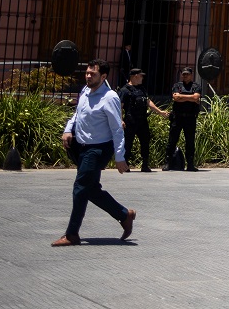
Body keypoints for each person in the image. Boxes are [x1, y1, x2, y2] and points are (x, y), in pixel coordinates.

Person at [52, 59, 135, 246]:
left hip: (98, 149)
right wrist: (68, 130)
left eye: (93, 74)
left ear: (103, 76)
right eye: (87, 72)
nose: (88, 76)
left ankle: (72, 234)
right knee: (90, 189)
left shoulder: (110, 97)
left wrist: (120, 157)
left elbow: (117, 129)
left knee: (80, 187)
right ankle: (124, 214)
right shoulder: (85, 91)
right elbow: (77, 114)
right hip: (81, 147)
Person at [118, 68, 167, 172]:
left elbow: (148, 102)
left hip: (142, 120)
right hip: (130, 121)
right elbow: (119, 107)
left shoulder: (142, 89)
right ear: (135, 76)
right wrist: (121, 120)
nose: (142, 78)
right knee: (128, 143)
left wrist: (160, 112)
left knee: (145, 142)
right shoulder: (124, 90)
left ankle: (145, 164)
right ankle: (126, 164)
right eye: (141, 76)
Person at [165, 67, 203, 171]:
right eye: (183, 74)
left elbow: (196, 97)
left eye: (187, 74)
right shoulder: (177, 85)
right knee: (172, 140)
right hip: (177, 117)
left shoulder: (196, 86)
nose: (185, 76)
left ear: (191, 75)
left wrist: (182, 97)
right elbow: (176, 98)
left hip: (190, 118)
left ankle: (190, 164)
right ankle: (168, 162)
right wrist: (190, 98)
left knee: (190, 141)